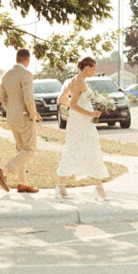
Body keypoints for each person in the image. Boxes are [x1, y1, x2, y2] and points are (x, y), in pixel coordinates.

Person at [56, 57, 109, 200]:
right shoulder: (79, 82)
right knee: (91, 149)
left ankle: (61, 186)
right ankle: (99, 189)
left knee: (73, 148)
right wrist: (89, 113)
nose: (94, 71)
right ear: (86, 68)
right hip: (83, 122)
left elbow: (61, 99)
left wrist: (80, 111)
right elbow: (72, 104)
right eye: (93, 68)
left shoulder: (73, 80)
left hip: (77, 121)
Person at [0, 48, 41, 194]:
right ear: (27, 60)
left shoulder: (7, 75)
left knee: (21, 150)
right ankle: (4, 171)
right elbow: (28, 98)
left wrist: (13, 110)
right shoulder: (26, 74)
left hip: (12, 117)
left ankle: (22, 183)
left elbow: (3, 98)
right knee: (30, 149)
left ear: (17, 58)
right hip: (25, 117)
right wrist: (33, 114)